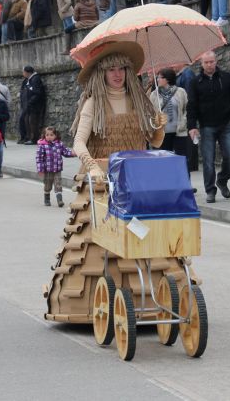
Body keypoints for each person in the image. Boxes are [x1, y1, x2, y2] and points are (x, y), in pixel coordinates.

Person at [44, 41, 192, 324]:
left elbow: (153, 142)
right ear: (101, 72)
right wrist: (93, 168)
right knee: (102, 244)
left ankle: (157, 298)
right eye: (111, 69)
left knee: (146, 233)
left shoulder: (140, 100)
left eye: (122, 68)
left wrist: (158, 127)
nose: (117, 74)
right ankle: (104, 302)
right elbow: (78, 143)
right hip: (104, 180)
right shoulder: (93, 102)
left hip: (137, 179)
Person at [188, 51, 230, 203]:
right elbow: (191, 105)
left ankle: (223, 180)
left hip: (227, 123)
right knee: (208, 160)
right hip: (207, 126)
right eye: (206, 62)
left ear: (216, 61)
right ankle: (210, 190)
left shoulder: (226, 77)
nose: (209, 65)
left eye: (212, 61)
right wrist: (192, 126)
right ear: (201, 64)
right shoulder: (195, 82)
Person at [150, 68, 191, 171]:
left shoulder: (180, 92)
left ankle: (184, 184)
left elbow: (187, 109)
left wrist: (184, 122)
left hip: (179, 132)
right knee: (163, 162)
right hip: (162, 133)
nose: (157, 79)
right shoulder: (154, 94)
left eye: (160, 77)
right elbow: (150, 113)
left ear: (167, 79)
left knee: (182, 161)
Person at [35, 126, 75, 207]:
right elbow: (39, 158)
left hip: (57, 169)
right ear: (44, 136)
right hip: (47, 170)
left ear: (55, 135)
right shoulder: (42, 146)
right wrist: (40, 170)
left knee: (58, 184)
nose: (49, 137)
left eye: (51, 135)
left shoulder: (59, 144)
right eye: (47, 135)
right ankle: (47, 198)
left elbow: (65, 152)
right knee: (48, 185)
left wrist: (73, 153)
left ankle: (59, 200)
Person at [20, 66, 47, 145]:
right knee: (27, 121)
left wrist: (30, 102)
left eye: (23, 72)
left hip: (34, 106)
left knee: (33, 122)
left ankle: (34, 139)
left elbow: (37, 93)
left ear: (27, 72)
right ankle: (29, 137)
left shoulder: (35, 79)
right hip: (29, 105)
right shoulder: (29, 79)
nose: (23, 73)